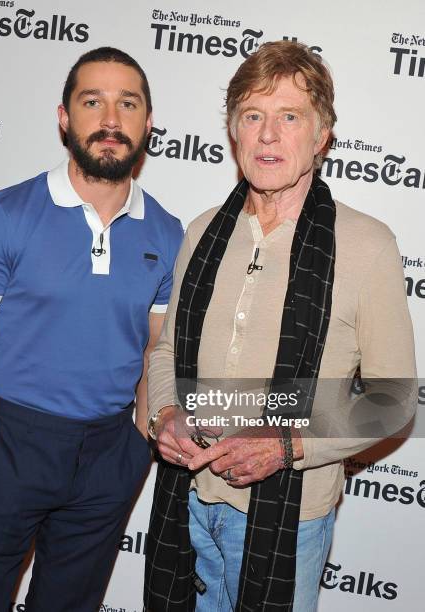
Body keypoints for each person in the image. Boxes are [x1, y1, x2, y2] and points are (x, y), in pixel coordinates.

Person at [144, 41, 416, 612]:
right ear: (234, 133)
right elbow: (168, 351)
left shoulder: (366, 245)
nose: (268, 134)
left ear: (321, 138)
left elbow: (393, 399)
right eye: (253, 116)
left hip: (287, 521)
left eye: (289, 116)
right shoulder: (201, 232)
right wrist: (165, 412)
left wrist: (286, 441)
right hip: (186, 502)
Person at [0, 47, 183, 612]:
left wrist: (136, 447)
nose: (111, 120)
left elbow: (157, 350)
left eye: (128, 104)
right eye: (92, 101)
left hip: (109, 457)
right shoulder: (9, 214)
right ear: (65, 117)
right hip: (11, 442)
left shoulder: (167, 234)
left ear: (147, 123)